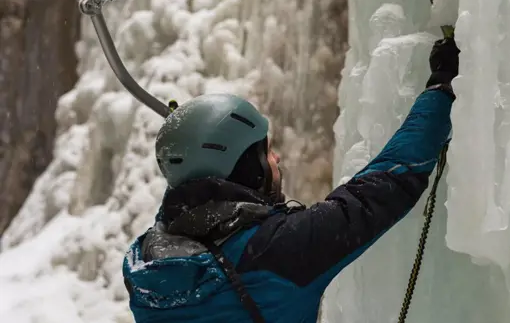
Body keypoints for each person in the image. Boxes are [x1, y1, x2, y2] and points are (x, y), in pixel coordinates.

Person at [122, 37, 461, 323]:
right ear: (241, 164)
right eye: (265, 152)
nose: (277, 159)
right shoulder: (279, 251)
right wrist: (440, 89)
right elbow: (387, 182)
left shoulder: (146, 259)